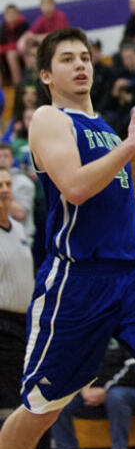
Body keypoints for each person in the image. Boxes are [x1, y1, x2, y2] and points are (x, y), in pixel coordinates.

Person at [0, 28, 135, 449]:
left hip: (131, 270)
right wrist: (131, 145)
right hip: (78, 280)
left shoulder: (100, 123)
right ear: (45, 75)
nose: (81, 64)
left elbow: (99, 184)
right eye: (67, 59)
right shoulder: (50, 119)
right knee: (41, 410)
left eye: (84, 57)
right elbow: (76, 188)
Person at [49, 338, 135, 449]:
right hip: (91, 394)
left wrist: (106, 390)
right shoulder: (88, 332)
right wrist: (82, 389)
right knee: (57, 400)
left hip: (132, 392)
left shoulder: (128, 331)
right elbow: (71, 364)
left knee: (116, 396)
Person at [0, 166, 35, 416]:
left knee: (27, 395)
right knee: (10, 399)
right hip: (2, 324)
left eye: (7, 184)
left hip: (24, 322)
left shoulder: (19, 229)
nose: (4, 190)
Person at [1, 4, 29, 88]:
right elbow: (2, 45)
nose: (11, 16)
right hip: (6, 57)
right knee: (10, 54)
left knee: (26, 56)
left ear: (18, 15)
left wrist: (9, 48)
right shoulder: (3, 29)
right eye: (9, 14)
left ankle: (29, 83)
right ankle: (16, 86)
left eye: (13, 14)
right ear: (5, 16)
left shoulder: (23, 25)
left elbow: (25, 43)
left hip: (23, 52)